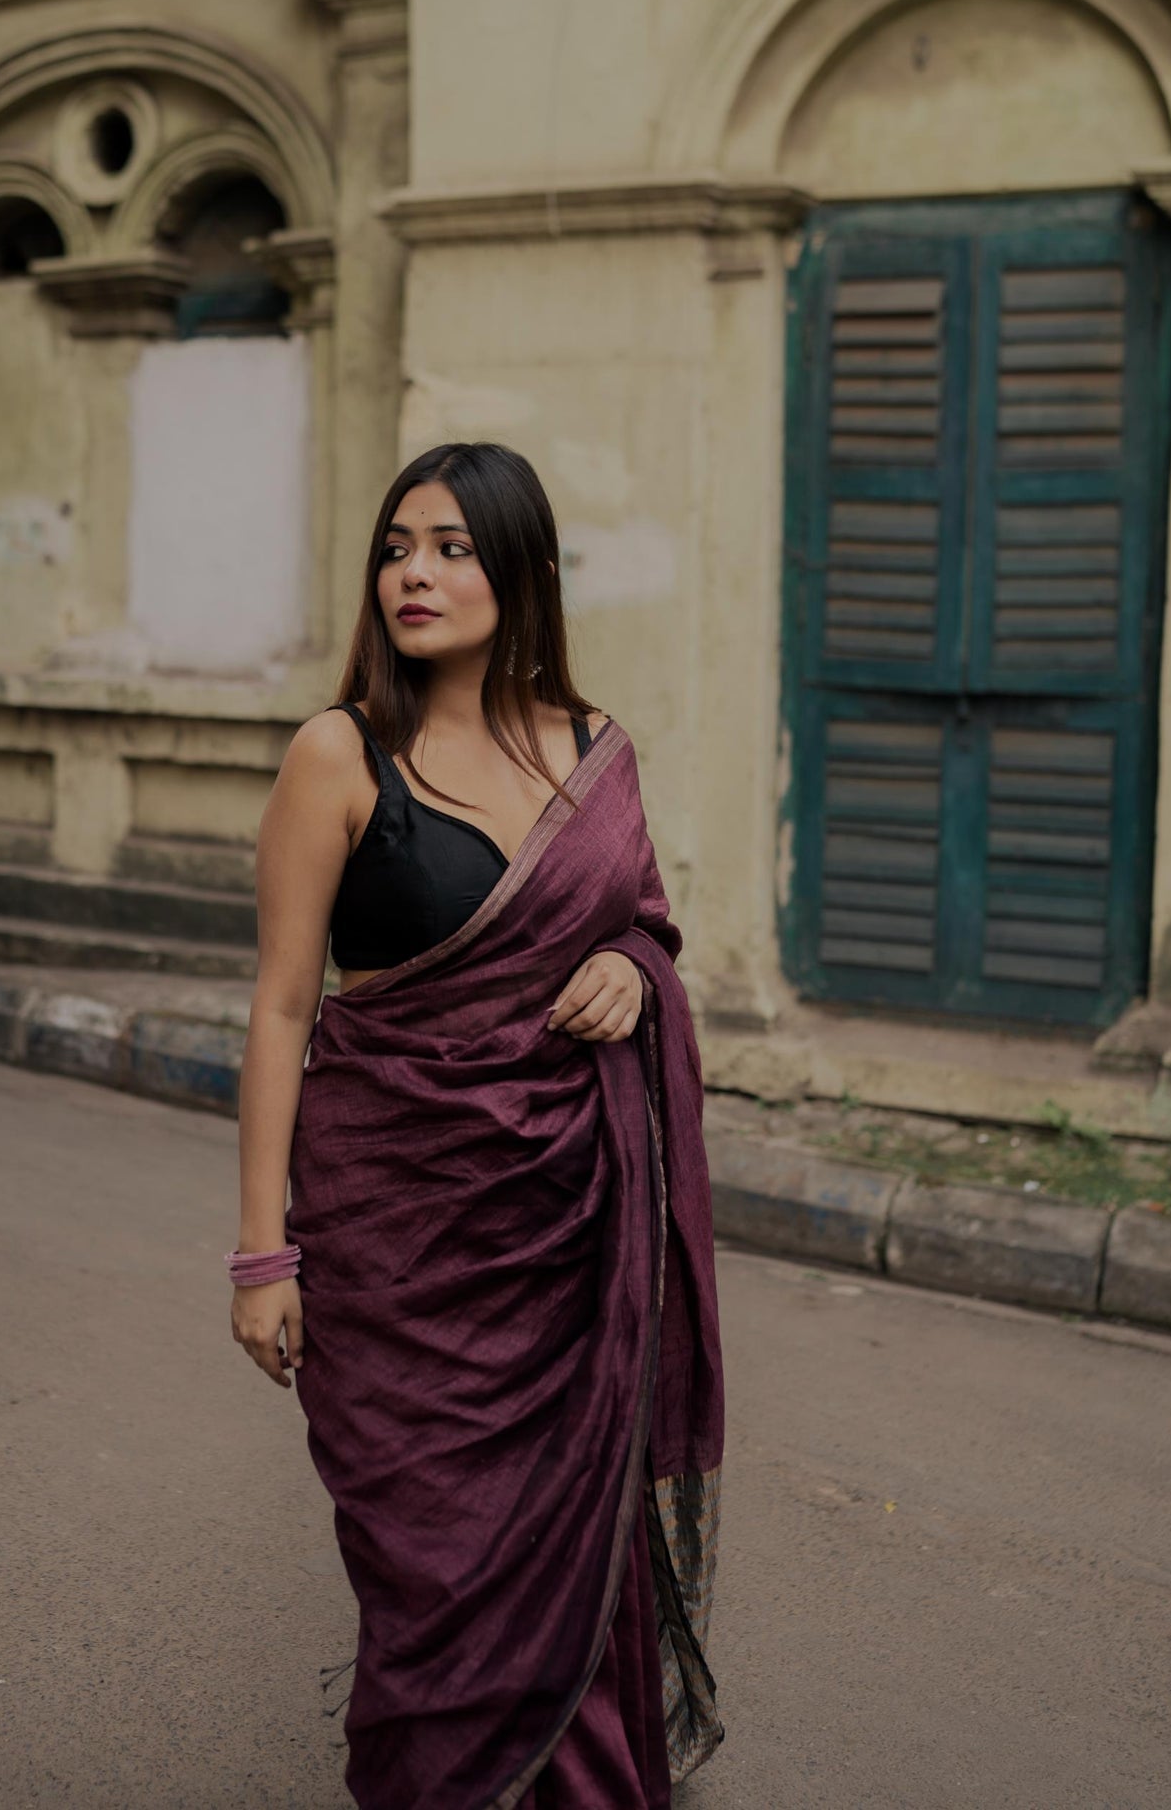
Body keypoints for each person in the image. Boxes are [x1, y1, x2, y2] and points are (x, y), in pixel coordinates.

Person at [230, 441, 724, 1809]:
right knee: (431, 1569)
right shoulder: (338, 755)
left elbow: (642, 917)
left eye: (451, 547)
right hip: (395, 1234)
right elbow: (281, 1011)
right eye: (397, 546)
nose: (415, 574)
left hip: (569, 1235)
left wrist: (634, 966)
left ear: (524, 573)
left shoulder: (596, 750)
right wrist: (261, 1257)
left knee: (579, 1548)